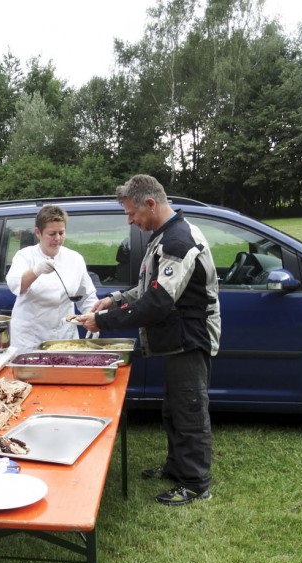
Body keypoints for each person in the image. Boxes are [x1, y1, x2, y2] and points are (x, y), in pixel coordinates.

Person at [81, 175, 221, 506]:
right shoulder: (163, 236)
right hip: (175, 339)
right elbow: (150, 287)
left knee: (189, 411)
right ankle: (177, 467)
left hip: (190, 338)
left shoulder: (177, 241)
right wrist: (114, 299)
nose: (131, 220)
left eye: (132, 213)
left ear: (150, 204)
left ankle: (196, 484)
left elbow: (158, 303)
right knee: (173, 409)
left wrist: (103, 321)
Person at [5, 204, 97, 352]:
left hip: (64, 338)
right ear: (38, 233)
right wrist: (36, 271)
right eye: (52, 234)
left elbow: (86, 296)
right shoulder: (25, 256)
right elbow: (16, 285)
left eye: (61, 233)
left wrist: (93, 316)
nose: (58, 239)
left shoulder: (74, 259)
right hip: (30, 340)